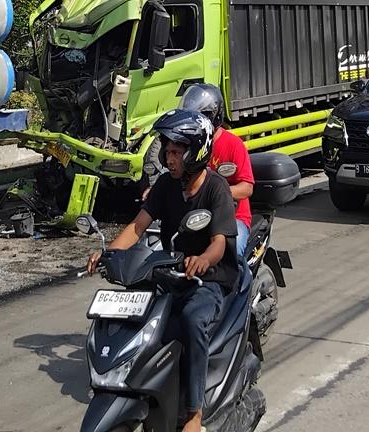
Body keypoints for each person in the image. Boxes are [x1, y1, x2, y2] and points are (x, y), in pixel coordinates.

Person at [86, 109, 238, 432]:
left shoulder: (216, 189)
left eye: (174, 152)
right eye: (167, 151)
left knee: (193, 321)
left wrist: (203, 260)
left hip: (208, 280)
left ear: (194, 152)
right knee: (143, 329)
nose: (168, 158)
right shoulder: (167, 186)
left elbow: (220, 244)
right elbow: (138, 227)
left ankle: (194, 414)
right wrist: (107, 253)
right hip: (172, 276)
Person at [179, 83, 255, 258]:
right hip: (195, 216)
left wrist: (214, 194)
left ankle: (241, 283)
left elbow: (247, 188)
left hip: (234, 217)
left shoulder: (233, 144)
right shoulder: (186, 145)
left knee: (232, 253)